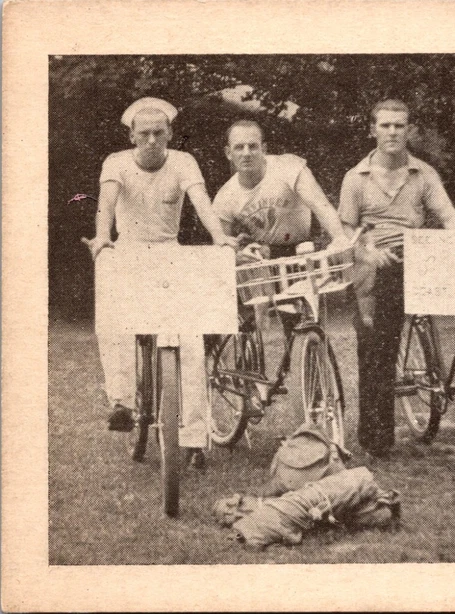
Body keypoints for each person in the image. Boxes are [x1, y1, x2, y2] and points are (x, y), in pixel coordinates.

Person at [85, 97, 237, 469]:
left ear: (169, 133)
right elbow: (106, 202)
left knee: (190, 339)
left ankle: (195, 437)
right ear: (132, 136)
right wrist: (102, 237)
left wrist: (220, 238)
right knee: (114, 320)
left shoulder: (183, 162)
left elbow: (201, 202)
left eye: (159, 133)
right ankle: (122, 401)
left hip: (170, 252)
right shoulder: (116, 163)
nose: (152, 140)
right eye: (144, 134)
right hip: (128, 252)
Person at [338, 99, 455, 458]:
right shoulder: (356, 178)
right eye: (385, 125)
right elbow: (346, 229)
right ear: (373, 130)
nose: (393, 131)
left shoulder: (423, 174)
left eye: (399, 125)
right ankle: (377, 439)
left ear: (409, 129)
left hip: (418, 257)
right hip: (374, 263)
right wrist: (366, 248)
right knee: (377, 347)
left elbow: (447, 213)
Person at [213, 120, 350, 260]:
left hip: (306, 248)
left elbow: (320, 204)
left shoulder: (288, 167)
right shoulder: (225, 196)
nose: (246, 153)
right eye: (239, 147)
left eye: (253, 146)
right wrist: (238, 256)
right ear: (229, 153)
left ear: (264, 149)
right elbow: (222, 248)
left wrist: (339, 237)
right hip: (265, 257)